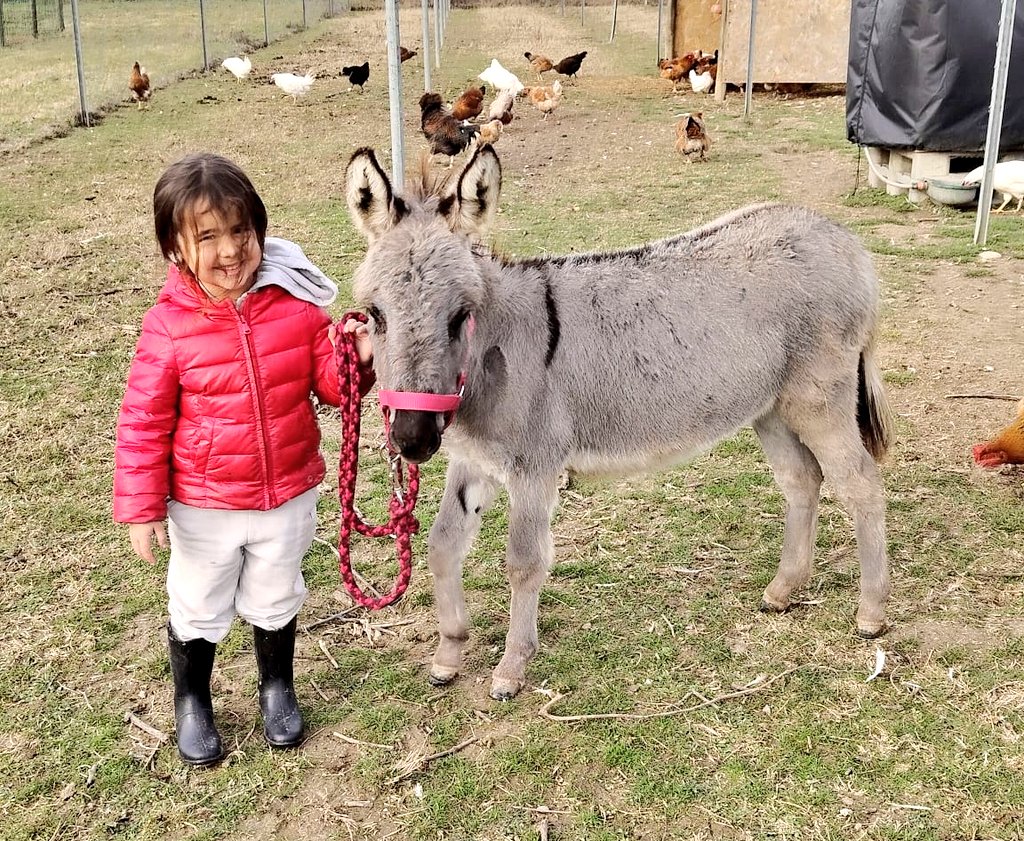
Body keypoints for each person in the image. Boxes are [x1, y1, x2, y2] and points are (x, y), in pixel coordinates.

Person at [113, 153, 373, 767]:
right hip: (203, 504)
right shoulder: (168, 328)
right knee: (199, 599)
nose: (230, 251)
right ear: (175, 248)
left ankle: (276, 685)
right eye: (207, 237)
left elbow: (332, 386)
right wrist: (141, 507)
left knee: (276, 591)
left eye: (241, 232)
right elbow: (144, 420)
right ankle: (193, 698)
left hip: (287, 493)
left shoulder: (297, 307)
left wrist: (356, 357)